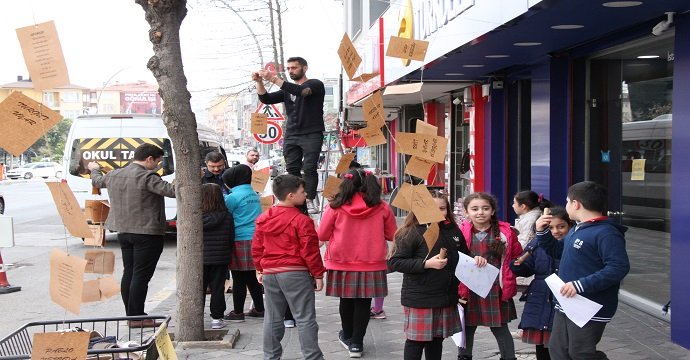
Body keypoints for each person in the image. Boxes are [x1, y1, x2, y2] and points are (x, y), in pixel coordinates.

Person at [537, 181, 630, 359]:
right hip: (566, 301)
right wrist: (542, 233)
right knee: (558, 351)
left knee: (581, 353)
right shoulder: (577, 228)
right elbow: (558, 251)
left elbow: (618, 267)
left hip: (589, 305)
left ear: (576, 204)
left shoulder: (606, 232)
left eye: (567, 202)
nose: (566, 206)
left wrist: (580, 285)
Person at [87, 143, 175, 327]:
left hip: (123, 231)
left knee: (130, 272)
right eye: (157, 162)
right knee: (141, 275)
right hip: (146, 232)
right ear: (149, 159)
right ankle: (136, 316)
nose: (158, 166)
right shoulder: (147, 177)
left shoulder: (114, 174)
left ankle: (131, 315)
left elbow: (97, 181)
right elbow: (172, 191)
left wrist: (94, 169)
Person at [318, 168, 397, 358]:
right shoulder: (382, 207)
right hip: (372, 262)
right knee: (364, 302)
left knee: (346, 300)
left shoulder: (335, 207)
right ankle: (357, 343)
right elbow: (392, 234)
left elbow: (321, 234)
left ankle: (347, 336)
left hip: (341, 261)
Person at [252, 174, 326, 360]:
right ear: (291, 196)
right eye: (302, 191)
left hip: (270, 272)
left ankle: (271, 356)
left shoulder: (264, 219)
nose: (305, 194)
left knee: (272, 318)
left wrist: (259, 268)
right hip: (295, 272)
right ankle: (312, 356)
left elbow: (257, 247)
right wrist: (318, 274)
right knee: (305, 318)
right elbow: (309, 250)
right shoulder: (302, 221)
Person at [388, 191, 470, 360]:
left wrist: (474, 260)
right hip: (420, 297)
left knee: (436, 340)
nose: (439, 212)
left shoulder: (452, 230)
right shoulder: (412, 231)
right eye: (433, 208)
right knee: (415, 341)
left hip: (446, 295)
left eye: (443, 208)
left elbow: (463, 256)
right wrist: (426, 264)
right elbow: (395, 262)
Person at [253, 57, 325, 214]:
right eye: (288, 68)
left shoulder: (315, 84)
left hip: (311, 133)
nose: (291, 71)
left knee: (309, 168)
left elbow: (302, 92)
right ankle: (292, 200)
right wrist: (259, 82)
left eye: (294, 68)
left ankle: (309, 199)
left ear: (304, 68)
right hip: (292, 134)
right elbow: (266, 99)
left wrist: (272, 78)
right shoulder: (287, 90)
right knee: (292, 169)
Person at [457, 192, 522, 360]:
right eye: (475, 209)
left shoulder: (506, 232)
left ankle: (508, 357)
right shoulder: (460, 232)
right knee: (466, 328)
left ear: (492, 211)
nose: (480, 212)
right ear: (466, 211)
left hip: (496, 289)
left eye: (485, 208)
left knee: (500, 328)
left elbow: (516, 256)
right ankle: (464, 357)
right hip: (468, 289)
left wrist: (514, 267)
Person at [510, 206, 571, 360]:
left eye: (561, 226)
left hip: (564, 297)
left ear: (570, 226)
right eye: (550, 227)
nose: (556, 231)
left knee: (564, 344)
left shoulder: (573, 245)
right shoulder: (537, 243)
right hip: (540, 298)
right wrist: (518, 266)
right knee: (542, 346)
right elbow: (528, 267)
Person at [222, 164, 265, 321]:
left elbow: (225, 215)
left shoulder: (232, 197)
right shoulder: (253, 193)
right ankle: (260, 309)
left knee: (239, 278)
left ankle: (238, 312)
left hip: (240, 239)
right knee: (251, 278)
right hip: (255, 238)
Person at [201, 183, 235, 330]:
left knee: (198, 289)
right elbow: (230, 237)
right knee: (217, 288)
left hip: (200, 258)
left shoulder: (196, 217)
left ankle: (197, 318)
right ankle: (216, 318)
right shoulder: (226, 216)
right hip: (220, 257)